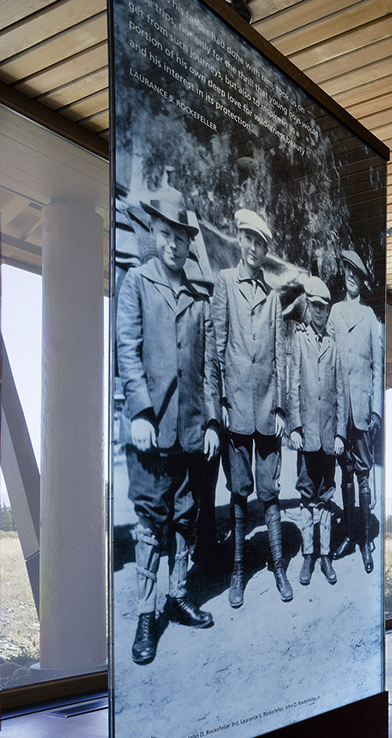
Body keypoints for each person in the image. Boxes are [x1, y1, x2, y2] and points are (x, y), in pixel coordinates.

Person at [116, 190, 220, 665]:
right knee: (149, 523)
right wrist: (139, 411)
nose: (174, 245)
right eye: (166, 235)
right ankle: (145, 615)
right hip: (151, 432)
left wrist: (213, 420)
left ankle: (177, 598)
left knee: (185, 517)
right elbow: (127, 350)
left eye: (181, 237)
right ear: (154, 235)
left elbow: (209, 366)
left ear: (188, 242)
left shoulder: (199, 298)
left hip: (191, 432)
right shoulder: (136, 283)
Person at [212, 209, 291, 608]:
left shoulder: (273, 298)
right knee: (239, 490)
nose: (255, 249)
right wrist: (221, 402)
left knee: (270, 489)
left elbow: (280, 355)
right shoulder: (225, 282)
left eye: (261, 244)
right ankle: (238, 569)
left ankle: (278, 566)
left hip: (266, 409)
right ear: (240, 241)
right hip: (237, 407)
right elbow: (216, 346)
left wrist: (281, 409)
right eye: (250, 240)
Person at [286, 276, 347, 585]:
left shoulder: (334, 347)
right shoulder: (299, 341)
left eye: (324, 307)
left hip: (328, 438)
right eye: (315, 306)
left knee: (326, 494)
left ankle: (325, 556)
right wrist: (295, 427)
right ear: (308, 308)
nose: (320, 312)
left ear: (328, 310)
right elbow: (293, 386)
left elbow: (341, 394)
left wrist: (340, 434)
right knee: (307, 494)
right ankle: (308, 555)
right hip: (307, 436)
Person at [328, 250, 383, 573]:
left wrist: (376, 411)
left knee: (363, 473)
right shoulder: (335, 313)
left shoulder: (370, 318)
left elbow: (377, 368)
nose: (351, 277)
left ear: (362, 280)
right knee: (345, 473)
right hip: (340, 410)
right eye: (347, 271)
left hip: (362, 409)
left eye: (356, 273)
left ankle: (364, 540)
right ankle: (349, 534)